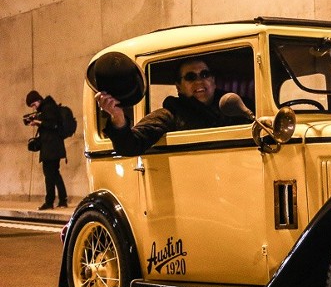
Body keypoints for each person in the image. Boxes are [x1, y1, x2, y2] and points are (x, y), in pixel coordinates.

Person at [95, 58, 252, 156]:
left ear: (213, 80)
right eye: (190, 77)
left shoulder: (237, 105)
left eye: (205, 74)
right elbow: (130, 146)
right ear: (179, 86)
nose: (199, 81)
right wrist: (118, 117)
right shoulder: (170, 114)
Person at [25, 90, 68, 210]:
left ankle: (49, 202)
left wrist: (39, 122)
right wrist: (38, 123)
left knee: (49, 175)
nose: (34, 108)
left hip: (51, 148)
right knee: (55, 174)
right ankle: (62, 200)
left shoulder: (48, 107)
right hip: (52, 147)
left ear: (38, 100)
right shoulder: (47, 107)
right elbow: (49, 125)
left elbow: (53, 125)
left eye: (33, 104)